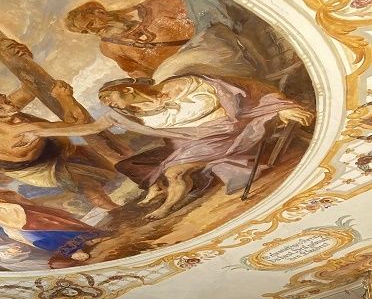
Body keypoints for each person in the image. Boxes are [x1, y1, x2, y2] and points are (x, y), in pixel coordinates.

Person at [98, 75, 314, 218]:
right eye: (104, 101)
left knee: (173, 172)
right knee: (153, 167)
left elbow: (244, 91)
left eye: (108, 96)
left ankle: (167, 207)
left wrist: (278, 108)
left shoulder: (184, 84)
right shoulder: (138, 113)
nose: (108, 103)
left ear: (127, 88)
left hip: (228, 131)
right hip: (197, 140)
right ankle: (164, 196)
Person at [65, 0, 303, 86]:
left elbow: (205, 14)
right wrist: (143, 83)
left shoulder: (154, 5)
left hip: (213, 43)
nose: (91, 32)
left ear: (99, 12)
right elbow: (135, 70)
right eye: (85, 32)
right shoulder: (110, 47)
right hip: (187, 71)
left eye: (90, 24)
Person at [0, 80, 122, 215]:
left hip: (45, 152)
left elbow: (28, 88)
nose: (10, 106)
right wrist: (65, 98)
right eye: (0, 108)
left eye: (7, 101)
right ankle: (117, 211)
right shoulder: (13, 130)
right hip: (36, 169)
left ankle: (120, 178)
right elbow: (82, 125)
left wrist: (22, 59)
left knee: (87, 153)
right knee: (85, 182)